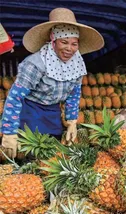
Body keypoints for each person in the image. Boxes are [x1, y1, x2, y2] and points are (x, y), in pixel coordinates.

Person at [0, 8, 104, 158]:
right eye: (64, 42)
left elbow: (74, 95)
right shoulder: (35, 64)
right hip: (31, 112)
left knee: (52, 153)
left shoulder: (77, 64)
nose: (69, 48)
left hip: (53, 112)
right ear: (53, 40)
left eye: (74, 44)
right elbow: (15, 97)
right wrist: (9, 131)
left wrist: (72, 120)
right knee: (30, 156)